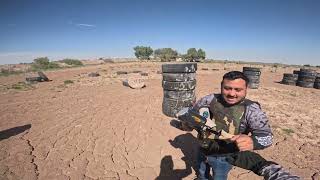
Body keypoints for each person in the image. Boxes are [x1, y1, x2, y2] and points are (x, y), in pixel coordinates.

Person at [191, 71, 273, 180]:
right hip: (203, 149)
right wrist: (187, 123)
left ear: (246, 89)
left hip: (225, 157)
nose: (232, 94)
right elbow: (193, 116)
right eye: (227, 88)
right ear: (221, 86)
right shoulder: (209, 100)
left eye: (238, 90)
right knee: (201, 174)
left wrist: (254, 141)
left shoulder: (252, 110)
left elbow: (267, 137)